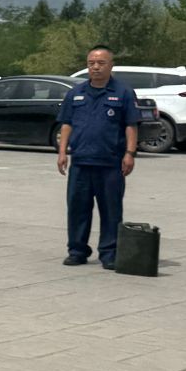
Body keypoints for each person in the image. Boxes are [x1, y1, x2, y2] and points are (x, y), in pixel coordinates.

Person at [56, 46, 139, 268]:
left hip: (110, 163)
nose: (95, 67)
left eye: (101, 63)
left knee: (111, 211)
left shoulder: (123, 93)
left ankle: (109, 254)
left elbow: (131, 125)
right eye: (91, 63)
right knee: (77, 210)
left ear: (111, 65)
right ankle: (77, 251)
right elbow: (66, 123)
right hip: (80, 162)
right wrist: (62, 152)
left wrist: (130, 154)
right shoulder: (76, 93)